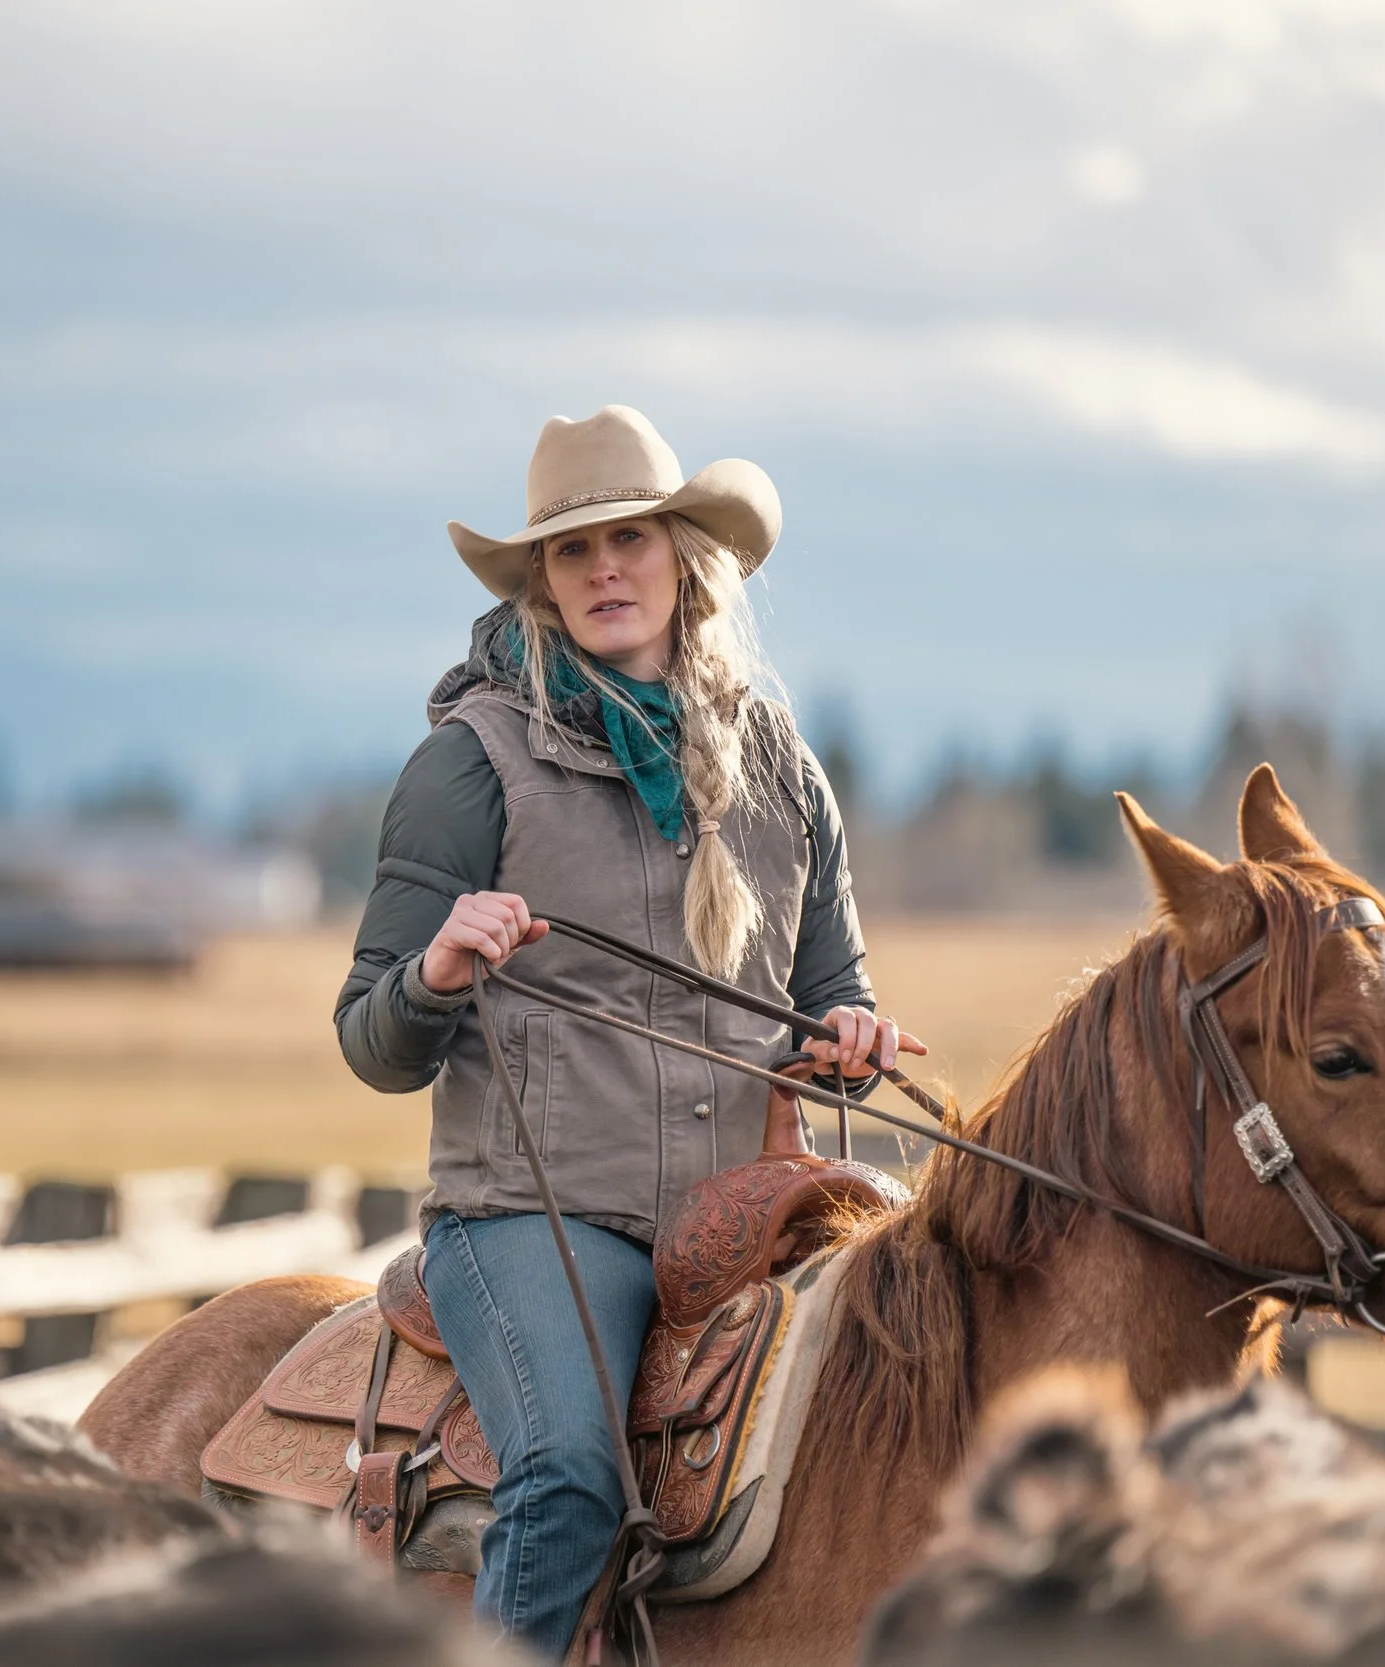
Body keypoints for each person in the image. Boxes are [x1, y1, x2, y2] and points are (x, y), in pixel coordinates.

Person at [333, 405, 926, 1656]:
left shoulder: (777, 763)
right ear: (542, 582)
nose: (606, 568)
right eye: (573, 549)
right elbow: (373, 1039)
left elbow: (833, 983)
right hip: (535, 1218)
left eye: (632, 540)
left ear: (683, 557)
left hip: (755, 1211)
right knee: (570, 1476)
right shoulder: (470, 763)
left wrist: (848, 1036)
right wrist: (440, 966)